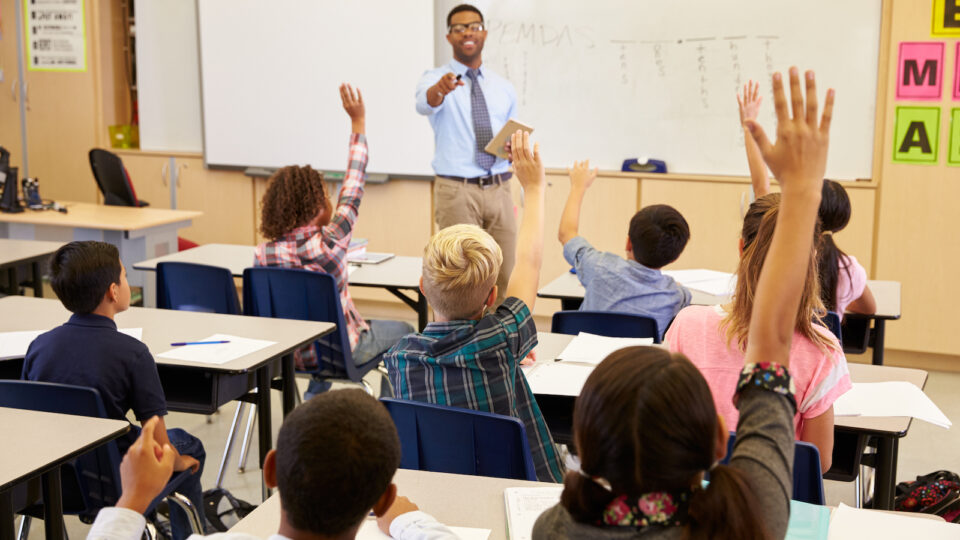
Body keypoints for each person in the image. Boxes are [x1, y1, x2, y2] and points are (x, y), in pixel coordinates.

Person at [533, 66, 835, 539]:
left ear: (582, 447)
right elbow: (774, 340)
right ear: (720, 439)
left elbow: (770, 343)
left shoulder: (555, 528)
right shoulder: (747, 521)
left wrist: (798, 191)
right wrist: (803, 190)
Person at [384, 131, 564, 483]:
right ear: (492, 297)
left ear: (422, 289)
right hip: (519, 492)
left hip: (443, 497)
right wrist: (536, 188)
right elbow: (529, 262)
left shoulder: (398, 359)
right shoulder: (502, 337)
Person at [85, 390, 460, 540]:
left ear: (271, 471)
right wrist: (410, 522)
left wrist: (132, 499)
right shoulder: (389, 508)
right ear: (382, 499)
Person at [23, 241, 205, 540]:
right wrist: (182, 461)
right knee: (188, 444)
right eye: (123, 275)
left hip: (50, 485)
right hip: (115, 484)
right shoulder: (132, 353)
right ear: (112, 291)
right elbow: (158, 445)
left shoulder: (39, 346)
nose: (127, 281)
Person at [665, 192, 850, 471]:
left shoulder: (685, 324)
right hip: (770, 502)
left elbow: (665, 424)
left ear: (741, 248)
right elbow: (818, 461)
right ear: (814, 255)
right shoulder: (822, 349)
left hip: (692, 495)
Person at [255, 84, 413, 398]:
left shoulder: (262, 256)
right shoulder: (331, 242)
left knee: (314, 326)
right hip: (343, 353)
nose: (330, 199)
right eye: (325, 195)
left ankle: (315, 398)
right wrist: (358, 123)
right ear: (315, 208)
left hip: (287, 356)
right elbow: (354, 183)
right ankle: (394, 417)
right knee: (406, 332)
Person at [738, 80, 875, 319]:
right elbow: (869, 310)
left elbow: (761, 183)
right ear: (843, 220)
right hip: (823, 349)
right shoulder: (848, 268)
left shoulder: (776, 251)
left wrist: (748, 125)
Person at [416, 3, 519, 305]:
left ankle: (499, 345)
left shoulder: (503, 87)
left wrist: (512, 148)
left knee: (505, 274)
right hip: (457, 191)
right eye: (459, 28)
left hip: (500, 188)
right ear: (449, 37)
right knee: (459, 280)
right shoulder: (435, 79)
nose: (467, 33)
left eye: (473, 26)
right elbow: (425, 103)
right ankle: (462, 345)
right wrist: (441, 89)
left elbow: (509, 135)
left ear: (484, 33)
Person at [558, 160, 691, 339]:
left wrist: (578, 187)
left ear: (628, 243)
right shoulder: (675, 296)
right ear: (674, 258)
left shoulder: (598, 266)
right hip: (636, 365)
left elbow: (566, 234)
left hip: (582, 361)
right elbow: (685, 298)